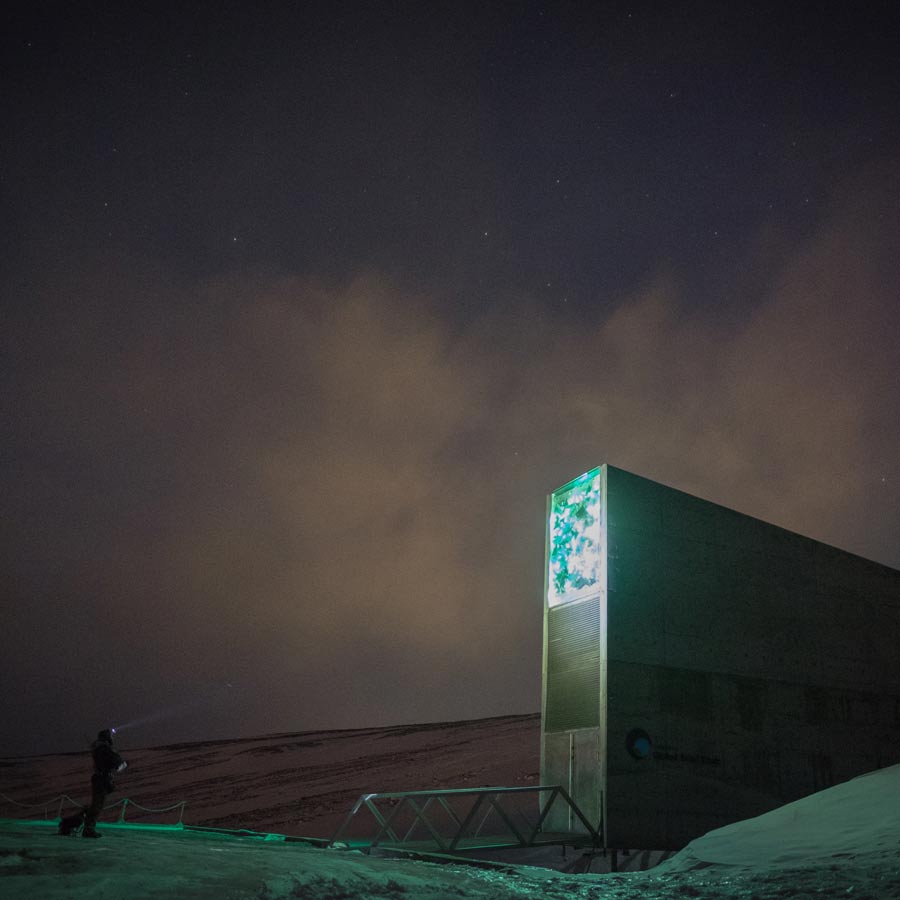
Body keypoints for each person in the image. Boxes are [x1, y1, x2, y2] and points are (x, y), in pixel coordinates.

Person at [58, 728, 127, 838]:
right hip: (102, 779)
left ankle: (70, 824)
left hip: (100, 778)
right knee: (96, 806)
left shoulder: (99, 749)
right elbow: (116, 762)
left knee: (95, 805)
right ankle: (86, 828)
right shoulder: (104, 749)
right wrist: (122, 764)